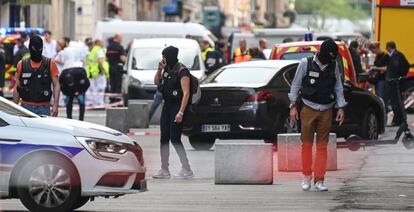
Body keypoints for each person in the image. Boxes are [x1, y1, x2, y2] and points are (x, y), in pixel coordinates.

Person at [289, 39, 346, 191]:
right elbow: (295, 85)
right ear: (322, 53)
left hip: (326, 110)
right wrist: (293, 106)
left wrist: (341, 107)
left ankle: (319, 180)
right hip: (308, 108)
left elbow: (338, 87)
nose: (330, 60)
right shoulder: (305, 63)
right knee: (306, 145)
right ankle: (306, 176)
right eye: (329, 56)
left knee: (322, 147)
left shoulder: (333, 66)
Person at [153, 46, 194, 179]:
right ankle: (164, 169)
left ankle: (187, 169)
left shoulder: (182, 71)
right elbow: (156, 82)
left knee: (175, 138)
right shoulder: (166, 69)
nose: (163, 58)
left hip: (178, 106)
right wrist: (159, 69)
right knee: (164, 137)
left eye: (164, 56)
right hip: (167, 105)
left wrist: (181, 113)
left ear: (170, 56)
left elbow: (186, 93)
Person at [13, 35, 61, 116]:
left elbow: (56, 85)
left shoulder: (50, 64)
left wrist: (55, 105)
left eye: (39, 48)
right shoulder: (21, 64)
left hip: (44, 107)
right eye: (35, 49)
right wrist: (14, 106)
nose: (37, 51)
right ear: (30, 48)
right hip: (25, 107)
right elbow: (17, 87)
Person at [385, 41, 410, 126]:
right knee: (396, 101)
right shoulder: (397, 54)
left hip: (395, 82)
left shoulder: (396, 55)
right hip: (395, 82)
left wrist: (400, 76)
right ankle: (400, 119)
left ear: (389, 47)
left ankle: (398, 120)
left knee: (396, 101)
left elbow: (405, 66)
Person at [86, 39, 109, 107]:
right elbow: (100, 61)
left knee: (93, 88)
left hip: (93, 72)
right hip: (99, 72)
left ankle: (92, 103)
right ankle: (99, 103)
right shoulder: (99, 50)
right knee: (100, 88)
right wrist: (103, 70)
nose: (103, 43)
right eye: (102, 42)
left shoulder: (93, 50)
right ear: (98, 43)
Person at [368, 42, 390, 112]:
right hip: (377, 81)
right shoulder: (377, 56)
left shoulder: (386, 56)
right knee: (379, 98)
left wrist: (375, 68)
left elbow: (387, 68)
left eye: (373, 51)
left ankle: (384, 117)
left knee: (381, 99)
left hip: (383, 80)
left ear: (376, 48)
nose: (373, 53)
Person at [106, 33, 126, 103]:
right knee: (118, 83)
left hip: (110, 67)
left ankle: (112, 98)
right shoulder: (120, 47)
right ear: (117, 38)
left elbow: (107, 58)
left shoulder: (109, 47)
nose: (121, 40)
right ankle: (117, 98)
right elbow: (122, 58)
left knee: (112, 83)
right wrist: (127, 59)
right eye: (121, 38)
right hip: (118, 68)